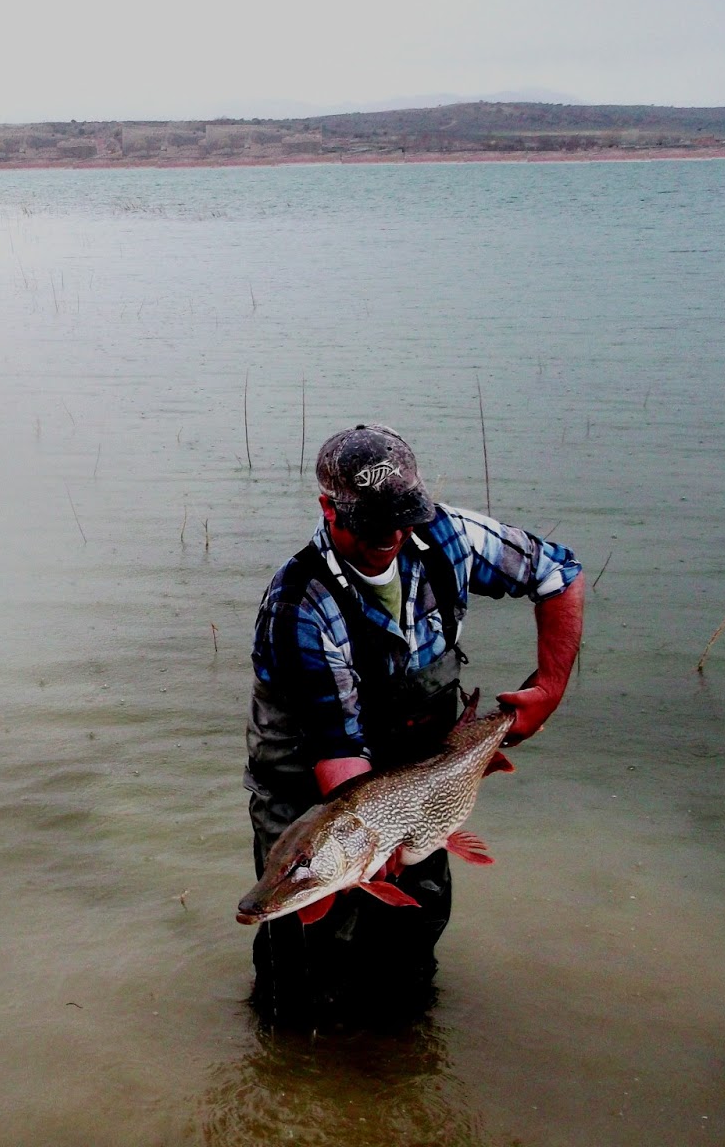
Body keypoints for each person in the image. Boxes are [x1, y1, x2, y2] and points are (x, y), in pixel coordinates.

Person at [244, 424, 583, 1027]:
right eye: (373, 522)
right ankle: (294, 1058)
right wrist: (373, 850)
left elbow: (559, 575)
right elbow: (339, 752)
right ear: (328, 508)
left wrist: (550, 687)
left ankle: (401, 1055)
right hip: (312, 787)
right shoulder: (298, 607)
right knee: (313, 961)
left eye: (403, 517)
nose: (392, 535)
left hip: (422, 777)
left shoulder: (447, 535)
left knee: (411, 942)